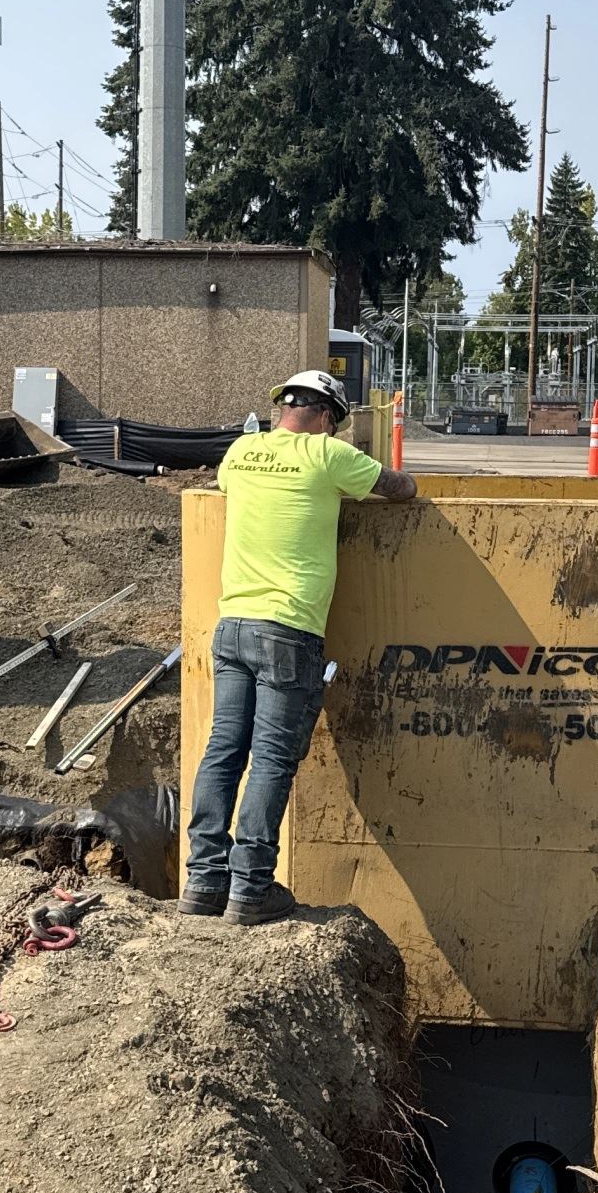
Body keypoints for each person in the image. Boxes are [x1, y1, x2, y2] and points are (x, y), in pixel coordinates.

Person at [184, 370, 417, 923]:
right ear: (325, 417)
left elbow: (230, 490)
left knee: (223, 752)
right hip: (288, 630)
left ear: (282, 408)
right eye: (334, 424)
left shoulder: (240, 453)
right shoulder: (327, 456)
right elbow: (402, 488)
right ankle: (251, 890)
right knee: (270, 759)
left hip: (233, 623)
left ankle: (202, 882)